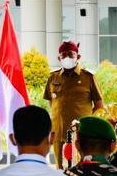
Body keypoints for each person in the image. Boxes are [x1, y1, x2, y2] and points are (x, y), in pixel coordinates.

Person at [43, 40, 103, 169]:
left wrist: (89, 124)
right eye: (63, 55)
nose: (67, 58)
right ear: (59, 58)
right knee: (60, 171)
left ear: (78, 57)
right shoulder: (53, 77)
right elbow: (51, 103)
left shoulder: (88, 77)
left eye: (70, 54)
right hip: (59, 135)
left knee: (83, 169)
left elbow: (99, 105)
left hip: (81, 135)